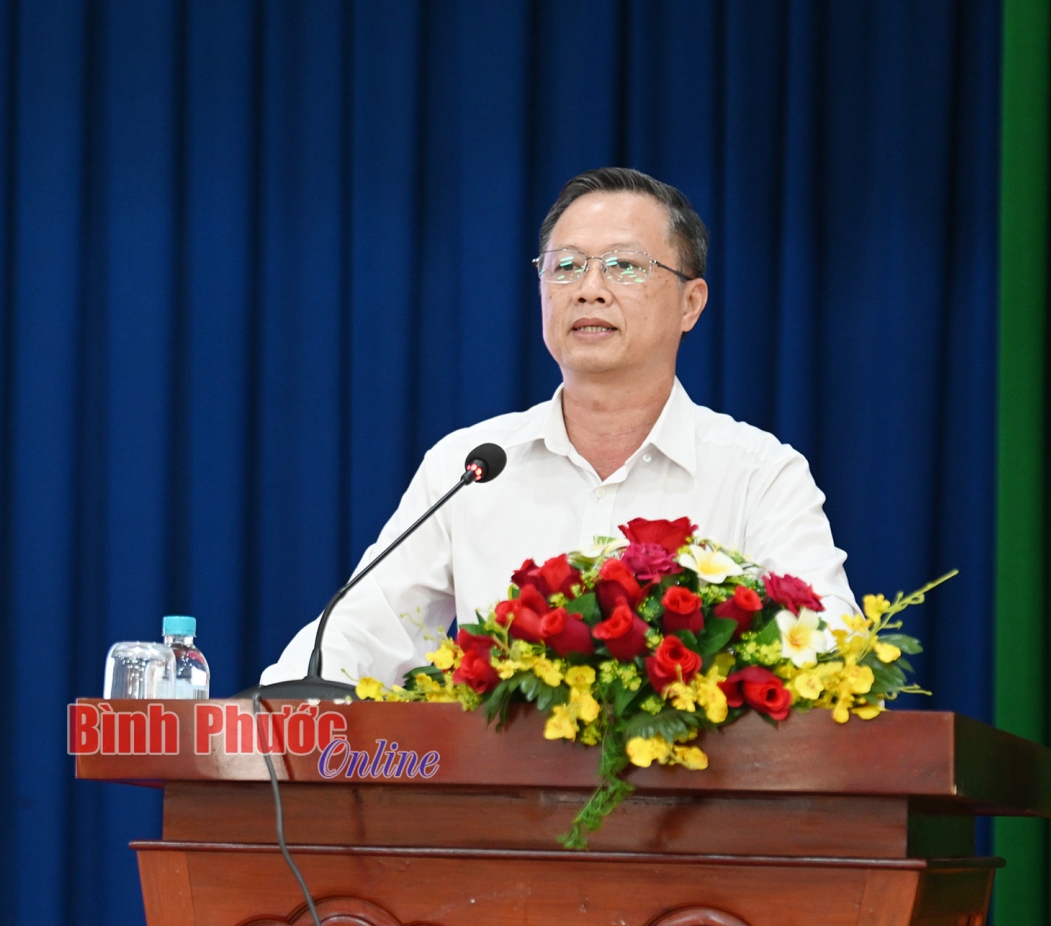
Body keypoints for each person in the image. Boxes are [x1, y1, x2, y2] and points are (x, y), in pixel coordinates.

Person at [260, 167, 856, 686]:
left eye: (625, 266)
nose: (589, 290)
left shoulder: (758, 474)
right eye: (566, 267)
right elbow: (361, 634)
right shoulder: (470, 467)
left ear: (690, 303)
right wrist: (265, 719)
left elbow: (834, 658)